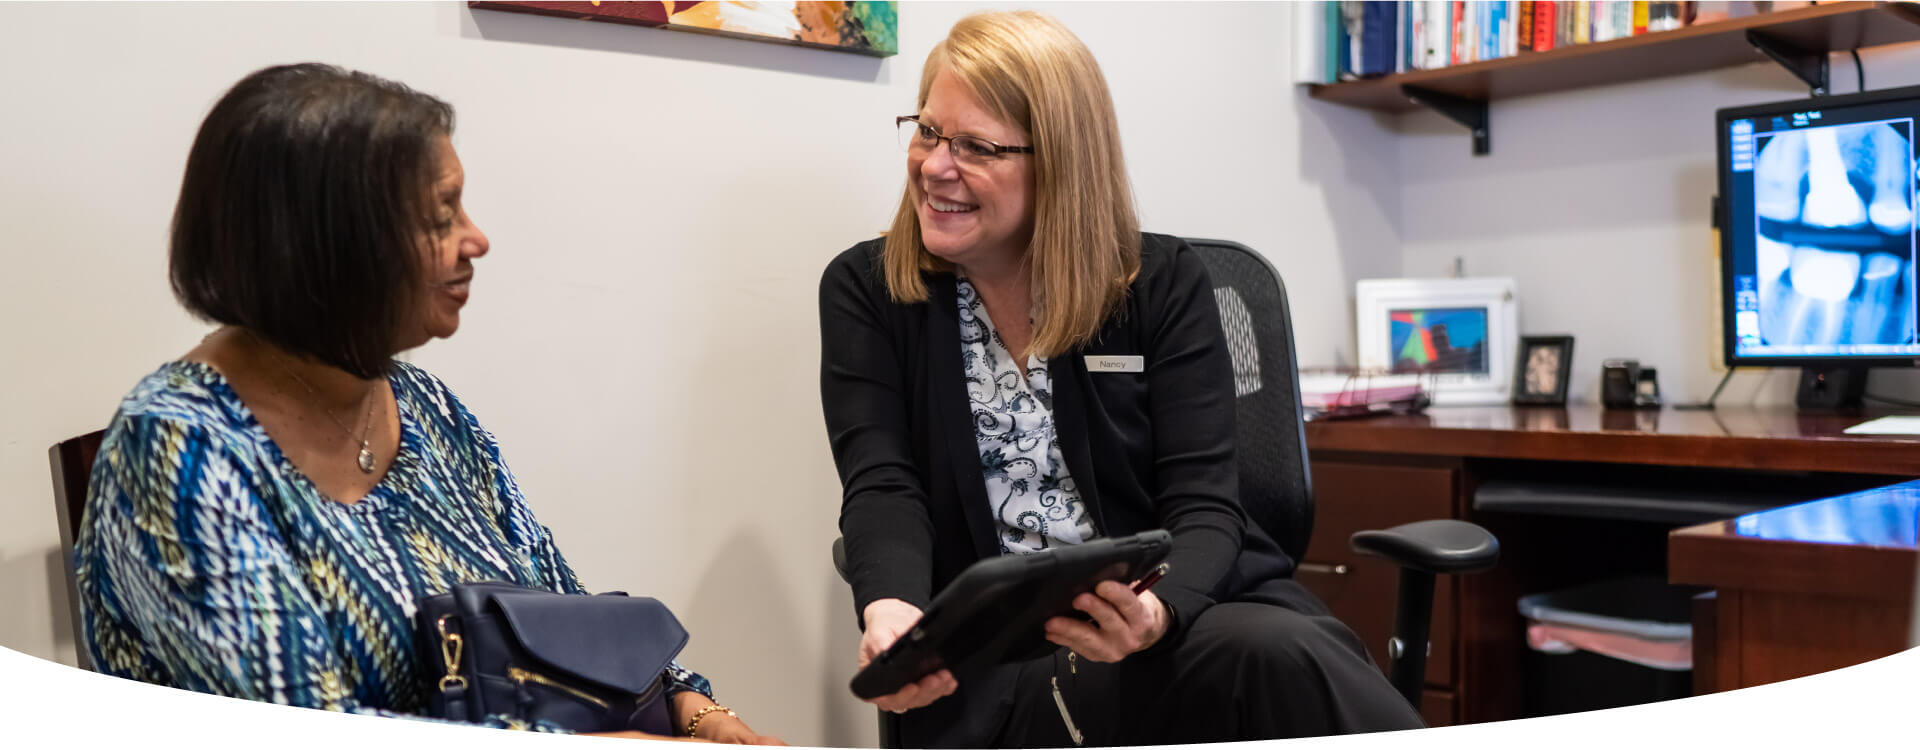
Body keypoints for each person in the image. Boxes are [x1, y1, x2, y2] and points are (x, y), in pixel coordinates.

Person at [73, 63, 782, 744]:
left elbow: (563, 609)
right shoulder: (176, 450)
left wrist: (692, 708)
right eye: (442, 217)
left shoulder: (423, 406)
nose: (477, 239)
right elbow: (301, 733)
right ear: (327, 245)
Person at [817, 12, 1424, 747]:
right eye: (928, 131)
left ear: (1062, 162)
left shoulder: (1160, 284)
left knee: (1287, 653)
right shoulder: (869, 290)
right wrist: (890, 609)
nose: (936, 166)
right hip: (1000, 662)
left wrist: (1157, 615)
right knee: (1261, 668)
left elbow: (1204, 505)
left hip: (1168, 625)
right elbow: (882, 484)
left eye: (976, 146)